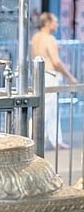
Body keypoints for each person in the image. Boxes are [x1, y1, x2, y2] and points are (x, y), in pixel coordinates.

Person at [31, 12, 78, 149]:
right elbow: (56, 62)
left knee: (51, 110)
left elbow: (41, 55)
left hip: (40, 75)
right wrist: (70, 77)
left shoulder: (36, 37)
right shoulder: (49, 38)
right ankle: (30, 137)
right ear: (47, 23)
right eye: (54, 22)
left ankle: (56, 140)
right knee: (45, 109)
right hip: (49, 76)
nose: (57, 24)